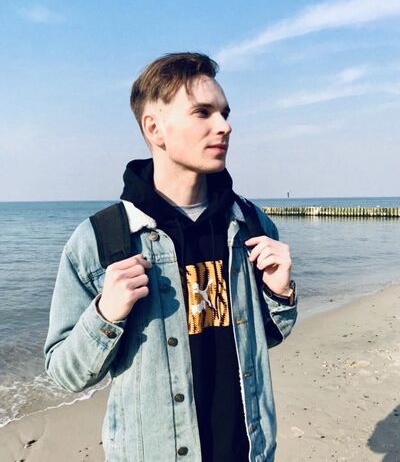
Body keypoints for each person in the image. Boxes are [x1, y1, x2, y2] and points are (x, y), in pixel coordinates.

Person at [44, 52, 297, 462]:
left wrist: (280, 293)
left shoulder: (251, 223)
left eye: (224, 113)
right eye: (203, 112)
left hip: (249, 450)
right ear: (154, 128)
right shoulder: (101, 239)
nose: (224, 126)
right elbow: (64, 373)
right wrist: (106, 314)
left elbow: (262, 339)